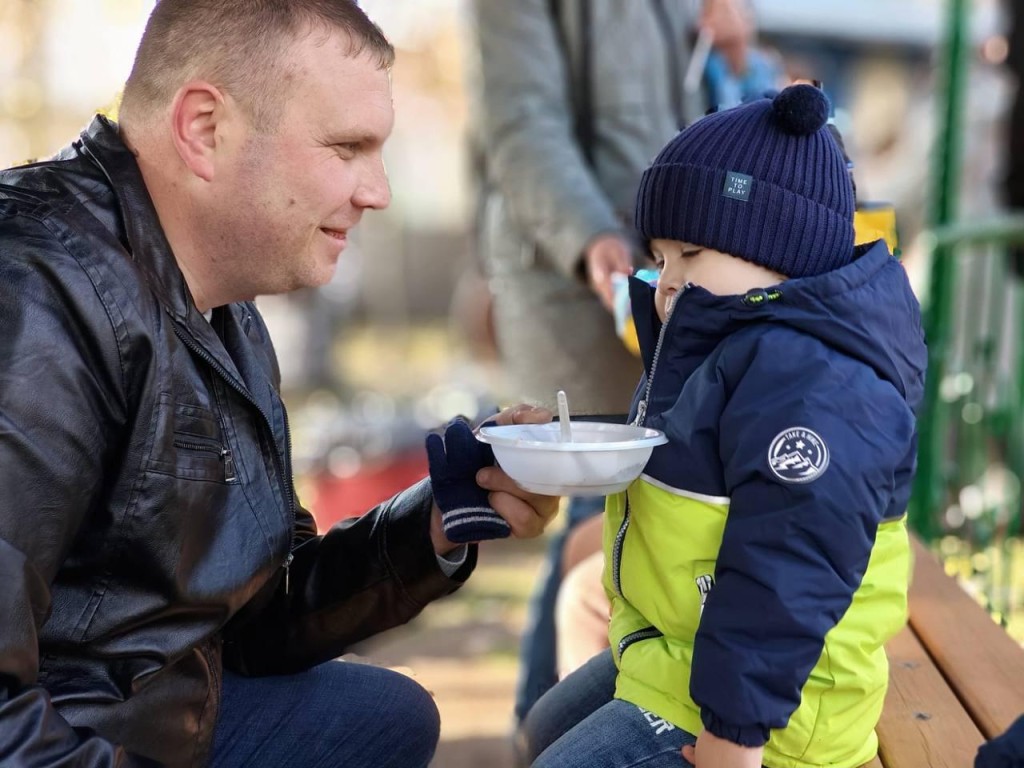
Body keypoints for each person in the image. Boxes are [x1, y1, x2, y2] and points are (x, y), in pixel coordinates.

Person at [0, 2, 559, 767]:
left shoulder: (224, 306)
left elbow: (259, 610)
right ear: (204, 128)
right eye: (347, 148)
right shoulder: (30, 298)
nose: (379, 191)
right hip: (66, 738)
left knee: (384, 716)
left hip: (149, 712)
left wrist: (442, 517)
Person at [521, 84, 928, 768]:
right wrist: (550, 440)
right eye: (660, 256)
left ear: (781, 250)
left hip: (779, 711)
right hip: (686, 648)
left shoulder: (816, 380)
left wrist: (734, 742)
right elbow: (685, 448)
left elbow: (787, 571)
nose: (668, 280)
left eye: (692, 253)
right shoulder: (731, 339)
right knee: (546, 724)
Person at [466, 0, 771, 730]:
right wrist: (594, 239)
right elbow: (523, 124)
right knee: (584, 501)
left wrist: (734, 60)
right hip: (578, 278)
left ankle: (557, 721)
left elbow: (701, 124)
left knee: (623, 510)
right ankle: (545, 723)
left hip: (671, 279)